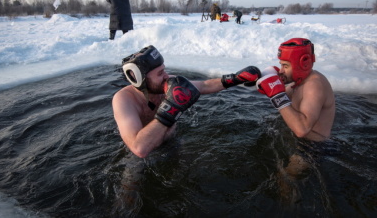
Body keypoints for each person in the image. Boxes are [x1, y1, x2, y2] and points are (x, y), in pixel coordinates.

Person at [112, 45, 261, 158]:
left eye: (164, 70)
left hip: (173, 140)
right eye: (159, 73)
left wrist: (235, 78)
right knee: (130, 188)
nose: (166, 76)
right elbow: (139, 148)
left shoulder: (168, 83)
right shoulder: (124, 100)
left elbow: (204, 85)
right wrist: (171, 108)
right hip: (140, 155)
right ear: (141, 80)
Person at [255, 38, 336, 201]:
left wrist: (276, 94)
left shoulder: (314, 85)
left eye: (285, 66)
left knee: (283, 178)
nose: (281, 70)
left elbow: (302, 129)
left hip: (314, 148)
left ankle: (288, 210)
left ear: (303, 64)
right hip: (307, 144)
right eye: (281, 65)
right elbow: (281, 95)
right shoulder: (300, 82)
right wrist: (259, 81)